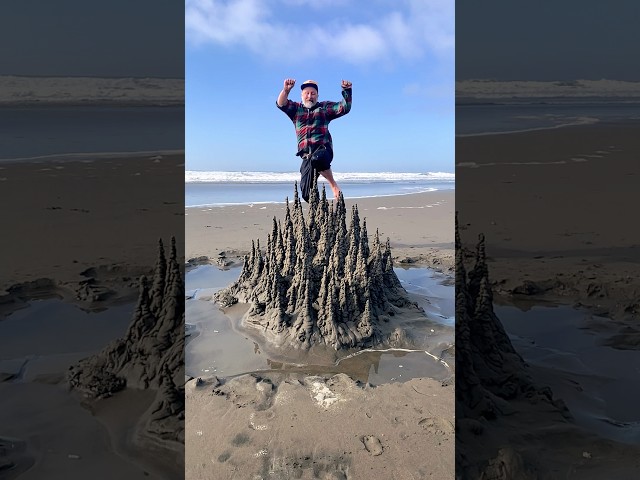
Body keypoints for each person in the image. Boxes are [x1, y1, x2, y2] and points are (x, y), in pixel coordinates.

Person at [276, 78, 352, 202]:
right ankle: (323, 212)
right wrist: (286, 90)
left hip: (323, 151)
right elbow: (281, 104)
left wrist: (347, 90)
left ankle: (333, 185)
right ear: (302, 95)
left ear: (317, 95)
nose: (310, 96)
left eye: (313, 93)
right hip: (306, 156)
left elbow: (344, 107)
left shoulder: (324, 108)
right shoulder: (296, 110)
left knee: (318, 158)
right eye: (307, 93)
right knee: (307, 194)